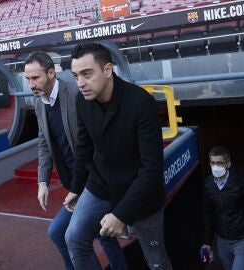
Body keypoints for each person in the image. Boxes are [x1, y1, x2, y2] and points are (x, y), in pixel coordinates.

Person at [64, 43, 172, 270]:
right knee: (73, 238)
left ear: (107, 70)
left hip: (142, 195)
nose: (80, 83)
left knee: (156, 260)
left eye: (86, 74)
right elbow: (84, 148)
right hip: (100, 185)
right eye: (75, 76)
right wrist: (75, 187)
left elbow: (151, 168)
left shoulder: (142, 103)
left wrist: (121, 214)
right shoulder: (81, 100)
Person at [24, 51, 128, 270]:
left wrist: (85, 185)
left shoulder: (76, 94)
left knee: (63, 233)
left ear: (51, 73)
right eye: (28, 79)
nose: (31, 84)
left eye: (35, 78)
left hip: (95, 182)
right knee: (101, 235)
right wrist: (42, 182)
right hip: (74, 183)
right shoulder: (39, 102)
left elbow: (96, 142)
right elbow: (44, 143)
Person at [202, 145, 244, 270]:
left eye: (220, 163)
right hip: (222, 241)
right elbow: (208, 214)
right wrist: (207, 242)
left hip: (241, 240)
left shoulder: (240, 182)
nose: (216, 166)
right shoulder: (208, 185)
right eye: (213, 162)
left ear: (228, 164)